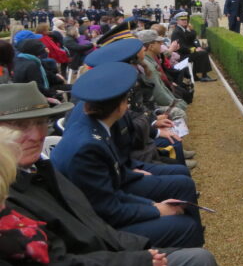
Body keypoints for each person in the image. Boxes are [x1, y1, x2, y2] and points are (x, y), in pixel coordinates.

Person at [0, 83, 222, 266]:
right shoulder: (8, 196)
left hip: (105, 257)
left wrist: (141, 251)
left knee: (200, 258)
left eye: (41, 122)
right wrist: (139, 260)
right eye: (20, 126)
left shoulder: (39, 169)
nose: (37, 135)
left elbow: (92, 223)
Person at [52, 63, 204, 249]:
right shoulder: (88, 146)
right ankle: (190, 254)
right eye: (127, 100)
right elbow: (108, 209)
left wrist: (151, 204)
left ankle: (191, 249)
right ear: (121, 107)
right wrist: (155, 210)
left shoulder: (95, 127)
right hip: (98, 232)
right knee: (185, 226)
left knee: (181, 185)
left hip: (105, 205)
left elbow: (113, 182)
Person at [170, 13, 216, 82]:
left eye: (185, 19)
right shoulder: (177, 31)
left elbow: (192, 36)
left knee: (204, 50)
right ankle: (204, 76)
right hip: (181, 55)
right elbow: (181, 47)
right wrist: (194, 49)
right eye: (182, 20)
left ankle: (196, 75)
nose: (185, 21)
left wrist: (191, 29)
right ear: (177, 21)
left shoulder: (183, 29)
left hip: (185, 53)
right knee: (203, 53)